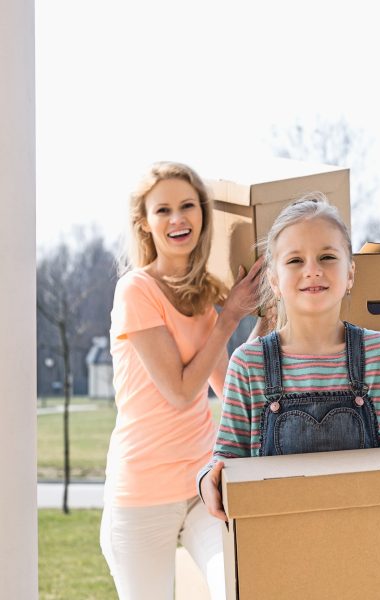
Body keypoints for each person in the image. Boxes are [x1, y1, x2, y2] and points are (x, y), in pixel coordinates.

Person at [198, 193, 380, 520]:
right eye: (295, 261)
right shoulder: (248, 364)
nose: (312, 271)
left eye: (327, 257)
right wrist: (208, 479)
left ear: (350, 274)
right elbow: (226, 458)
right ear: (274, 281)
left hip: (370, 541)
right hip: (279, 542)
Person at [100, 161, 263, 600]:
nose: (178, 219)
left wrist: (268, 316)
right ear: (145, 224)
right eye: (164, 210)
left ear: (203, 216)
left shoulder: (205, 293)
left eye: (188, 206)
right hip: (141, 493)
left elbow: (229, 388)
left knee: (238, 588)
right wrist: (230, 317)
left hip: (200, 485)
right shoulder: (136, 290)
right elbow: (180, 391)